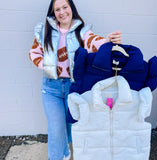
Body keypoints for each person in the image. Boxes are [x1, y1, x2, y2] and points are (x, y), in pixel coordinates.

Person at [29, 0, 122, 159]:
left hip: (73, 87)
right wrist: (47, 67)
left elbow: (93, 41)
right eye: (57, 9)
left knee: (70, 126)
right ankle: (58, 156)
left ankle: (65, 151)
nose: (62, 12)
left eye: (65, 7)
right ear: (53, 13)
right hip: (51, 89)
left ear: (71, 8)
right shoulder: (45, 31)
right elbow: (34, 53)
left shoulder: (82, 31)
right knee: (56, 128)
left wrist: (106, 41)